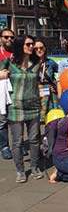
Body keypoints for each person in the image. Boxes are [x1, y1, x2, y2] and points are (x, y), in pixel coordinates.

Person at [0, 35, 43, 183]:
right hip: (15, 106)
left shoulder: (37, 63)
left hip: (33, 106)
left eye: (33, 44)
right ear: (20, 46)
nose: (32, 47)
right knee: (17, 141)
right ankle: (20, 171)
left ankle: (35, 167)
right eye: (29, 44)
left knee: (34, 139)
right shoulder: (9, 63)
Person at [34, 39, 59, 122]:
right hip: (36, 93)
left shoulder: (50, 62)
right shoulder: (30, 63)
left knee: (52, 119)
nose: (39, 50)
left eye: (41, 48)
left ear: (45, 48)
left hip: (51, 93)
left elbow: (61, 73)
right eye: (36, 48)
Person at [0, 28, 14, 160]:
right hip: (1, 92)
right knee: (2, 120)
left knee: (16, 119)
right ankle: (4, 146)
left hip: (15, 90)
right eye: (6, 37)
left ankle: (17, 145)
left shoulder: (16, 54)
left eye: (11, 37)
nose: (9, 39)